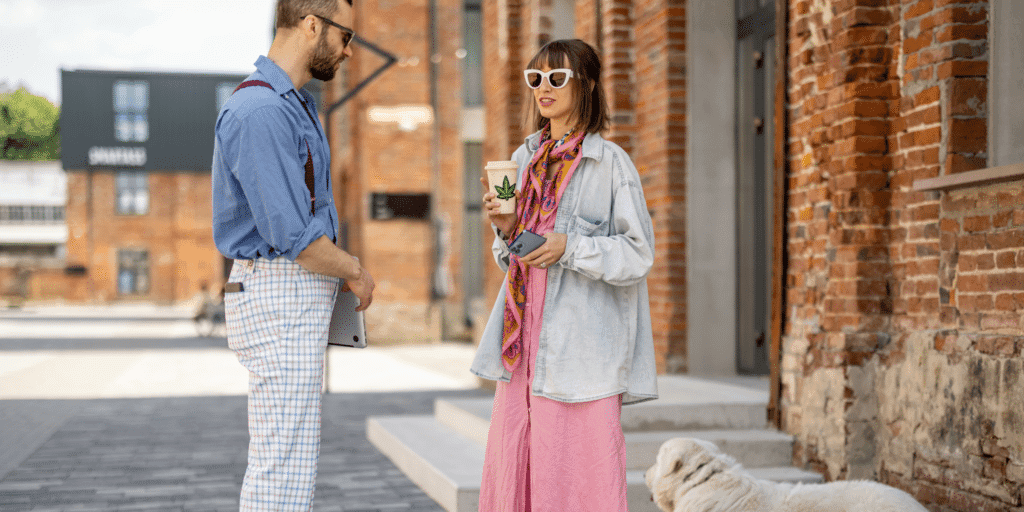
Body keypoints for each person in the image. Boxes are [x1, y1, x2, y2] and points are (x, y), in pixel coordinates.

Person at [470, 39, 659, 511]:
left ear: (588, 84)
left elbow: (637, 255)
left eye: (558, 78)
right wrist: (507, 229)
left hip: (582, 351)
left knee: (580, 479)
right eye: (536, 79)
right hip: (522, 345)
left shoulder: (610, 163)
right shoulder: (523, 158)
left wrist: (569, 247)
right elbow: (509, 259)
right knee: (519, 467)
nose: (544, 88)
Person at [211, 0, 374, 509]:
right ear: (311, 25)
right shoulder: (262, 110)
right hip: (281, 288)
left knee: (289, 454)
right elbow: (294, 237)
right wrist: (355, 270)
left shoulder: (291, 103)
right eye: (345, 36)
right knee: (283, 460)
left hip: (288, 291)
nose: (349, 51)